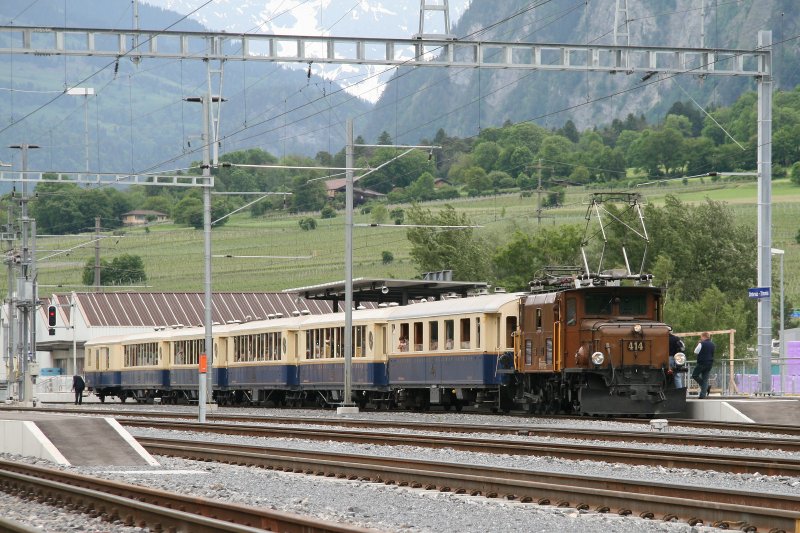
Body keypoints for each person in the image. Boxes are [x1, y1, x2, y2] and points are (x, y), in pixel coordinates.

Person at [691, 332, 715, 398]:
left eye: (701, 337)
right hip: (709, 363)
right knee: (705, 379)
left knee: (694, 375)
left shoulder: (701, 343)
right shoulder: (713, 344)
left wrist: (698, 344)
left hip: (701, 363)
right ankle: (702, 395)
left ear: (703, 336)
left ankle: (706, 386)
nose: (700, 338)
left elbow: (695, 352)